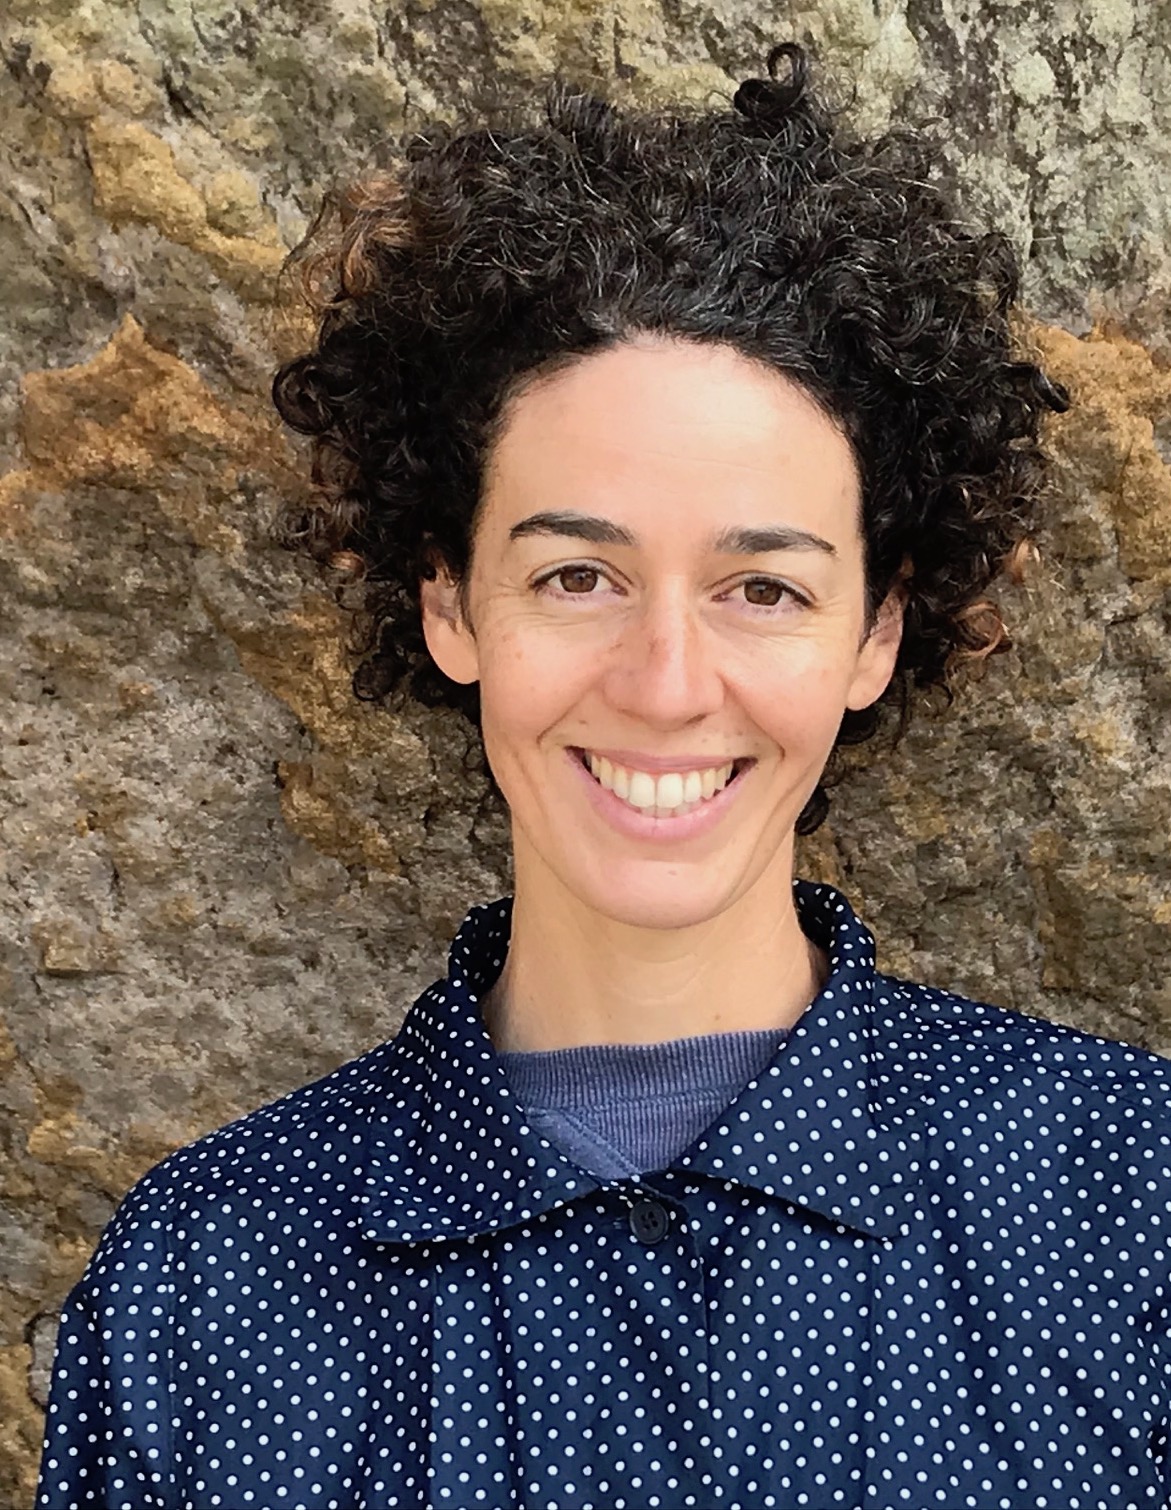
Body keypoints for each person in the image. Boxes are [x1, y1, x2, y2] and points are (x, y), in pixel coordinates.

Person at [35, 41, 1171, 1510]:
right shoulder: (205, 1282)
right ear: (449, 601)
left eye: (763, 588)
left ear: (877, 631)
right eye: (577, 574)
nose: (666, 680)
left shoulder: (1130, 1203)